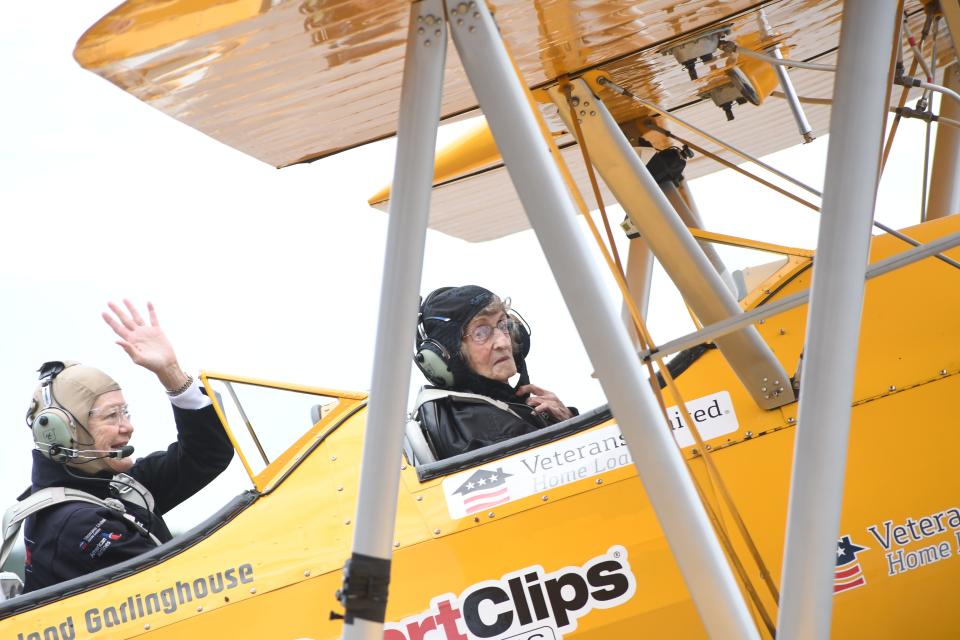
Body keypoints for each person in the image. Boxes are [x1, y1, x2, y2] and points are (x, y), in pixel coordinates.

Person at [17, 300, 233, 593]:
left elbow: (205, 454)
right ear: (61, 434)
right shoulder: (73, 523)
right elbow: (178, 587)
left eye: (125, 412)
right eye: (111, 416)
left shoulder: (111, 490)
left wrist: (170, 372)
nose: (127, 427)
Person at [413, 285, 575, 459]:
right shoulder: (491, 428)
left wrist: (567, 419)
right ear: (447, 356)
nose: (504, 342)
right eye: (481, 332)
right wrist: (572, 427)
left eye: (503, 324)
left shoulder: (488, 410)